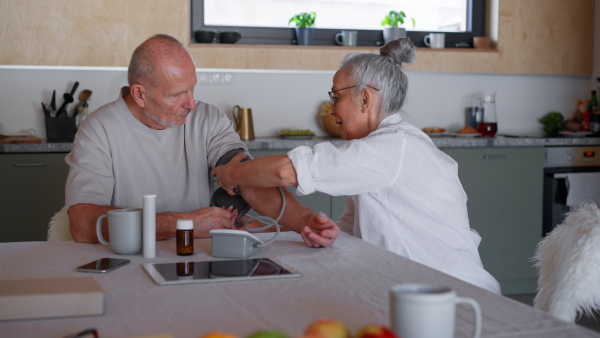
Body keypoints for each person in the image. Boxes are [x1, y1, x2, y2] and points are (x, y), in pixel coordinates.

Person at [211, 38, 501, 293]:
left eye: (336, 97)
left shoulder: (393, 147)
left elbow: (287, 171)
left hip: (455, 295)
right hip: (426, 289)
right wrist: (264, 228)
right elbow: (352, 231)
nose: (331, 109)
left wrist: (231, 174)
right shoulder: (387, 148)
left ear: (365, 98)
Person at [65, 34, 339, 248]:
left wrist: (305, 221)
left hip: (197, 254)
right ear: (140, 94)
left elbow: (246, 179)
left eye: (193, 88)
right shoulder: (98, 129)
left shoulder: (207, 118)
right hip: (128, 260)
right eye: (177, 95)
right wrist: (183, 223)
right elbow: (84, 223)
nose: (191, 103)